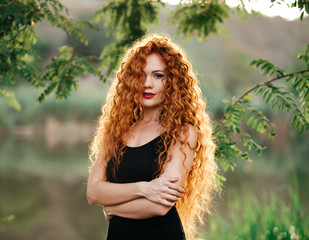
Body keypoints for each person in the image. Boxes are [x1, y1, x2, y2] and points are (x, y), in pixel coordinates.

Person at [87, 34, 219, 240]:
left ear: (173, 81)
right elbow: (93, 192)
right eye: (141, 75)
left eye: (158, 76)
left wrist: (112, 209)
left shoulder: (183, 132)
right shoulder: (117, 129)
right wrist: (145, 188)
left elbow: (159, 206)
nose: (147, 83)